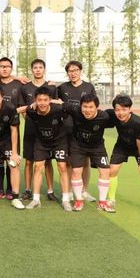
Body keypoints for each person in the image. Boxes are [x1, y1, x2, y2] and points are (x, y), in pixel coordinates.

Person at [17, 86, 71, 211]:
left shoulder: (58, 109)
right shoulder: (32, 111)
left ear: (49, 100)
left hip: (59, 142)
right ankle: (36, 199)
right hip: (41, 142)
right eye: (39, 100)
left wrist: (58, 101)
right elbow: (18, 110)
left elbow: (73, 108)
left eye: (45, 100)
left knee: (62, 167)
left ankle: (66, 200)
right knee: (38, 166)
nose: (42, 103)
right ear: (35, 101)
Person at [106, 95, 140, 217]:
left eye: (124, 109)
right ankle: (111, 200)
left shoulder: (137, 121)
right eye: (117, 110)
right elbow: (99, 114)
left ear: (130, 109)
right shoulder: (112, 115)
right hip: (122, 145)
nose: (120, 113)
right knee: (112, 171)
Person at [64, 94, 115, 213]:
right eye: (85, 107)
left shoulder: (105, 116)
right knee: (76, 171)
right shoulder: (75, 110)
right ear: (80, 106)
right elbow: (60, 104)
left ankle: (102, 202)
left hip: (97, 147)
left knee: (105, 171)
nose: (87, 110)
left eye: (91, 107)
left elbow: (119, 115)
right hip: (78, 146)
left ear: (97, 107)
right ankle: (79, 200)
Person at [57, 60, 97, 203]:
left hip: (84, 130)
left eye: (75, 70)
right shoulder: (62, 87)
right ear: (67, 73)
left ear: (80, 71)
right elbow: (55, 102)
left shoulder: (89, 87)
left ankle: (84, 191)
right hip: (66, 130)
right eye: (70, 71)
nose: (73, 73)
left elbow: (94, 107)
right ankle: (68, 192)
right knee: (68, 162)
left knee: (85, 162)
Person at [19, 59, 58, 202]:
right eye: (35, 67)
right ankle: (28, 190)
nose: (37, 70)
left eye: (40, 67)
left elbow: (55, 106)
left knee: (47, 161)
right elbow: (23, 108)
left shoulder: (51, 87)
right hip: (31, 129)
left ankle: (50, 191)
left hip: (47, 130)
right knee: (29, 161)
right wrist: (31, 119)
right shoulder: (25, 87)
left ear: (44, 69)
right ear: (32, 70)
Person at [0, 57, 25, 200]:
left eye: (7, 66)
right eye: (2, 66)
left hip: (12, 128)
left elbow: (23, 106)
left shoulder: (19, 85)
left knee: (11, 159)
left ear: (11, 68)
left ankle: (10, 189)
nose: (4, 68)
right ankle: (0, 189)